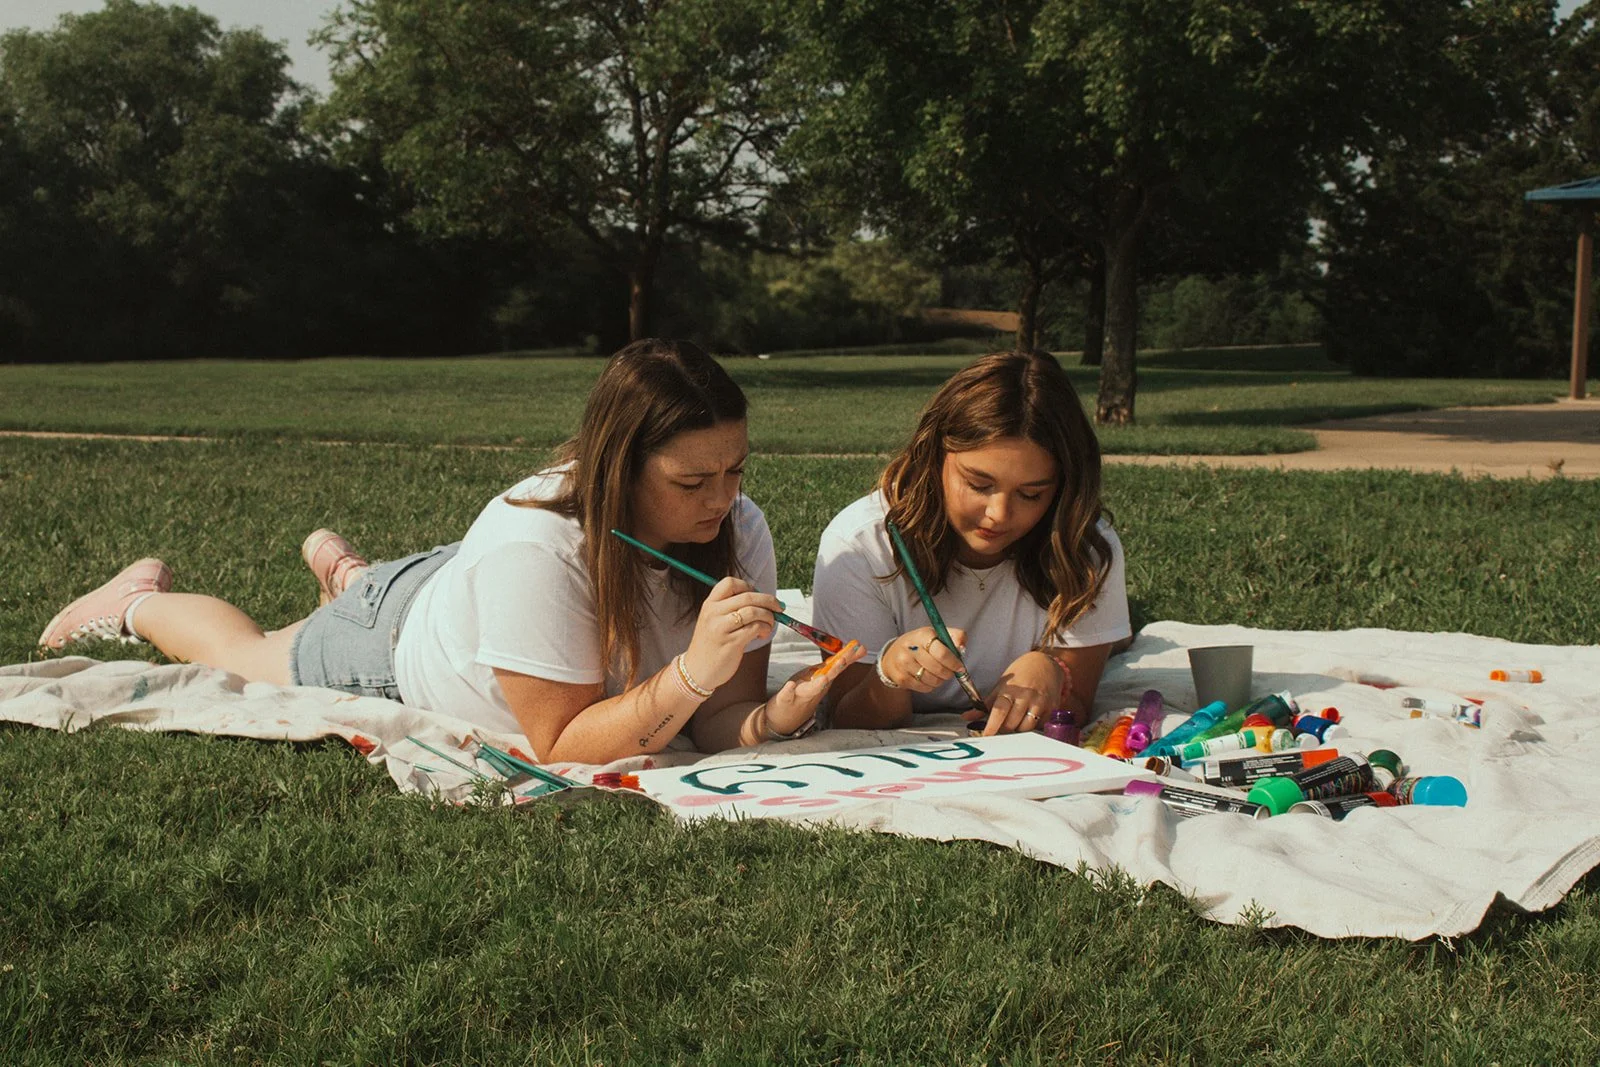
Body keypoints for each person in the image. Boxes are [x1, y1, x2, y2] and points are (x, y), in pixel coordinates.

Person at [38, 339, 859, 764]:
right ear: (618, 466)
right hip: (394, 642)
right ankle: (137, 597)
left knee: (428, 585)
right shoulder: (536, 541)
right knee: (251, 654)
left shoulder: (736, 527)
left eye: (736, 470)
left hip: (467, 589)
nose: (722, 501)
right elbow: (564, 744)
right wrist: (688, 674)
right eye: (693, 481)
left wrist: (775, 713)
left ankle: (351, 574)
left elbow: (717, 722)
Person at [811, 349, 1130, 735]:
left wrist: (1053, 671)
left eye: (1031, 495)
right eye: (979, 484)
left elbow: (1076, 706)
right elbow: (847, 718)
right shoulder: (859, 544)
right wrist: (889, 675)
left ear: (1062, 489)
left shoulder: (1083, 545)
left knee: (1113, 641)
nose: (998, 514)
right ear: (933, 456)